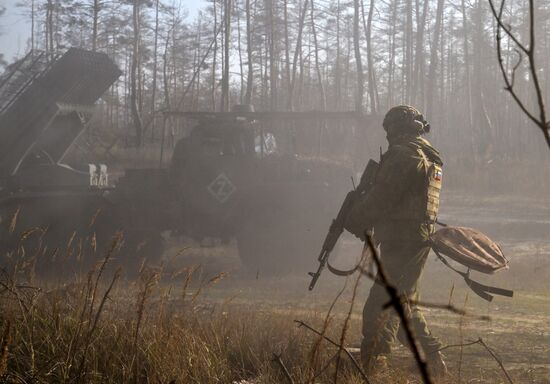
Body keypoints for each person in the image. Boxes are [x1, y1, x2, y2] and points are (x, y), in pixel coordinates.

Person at [344, 105, 447, 377]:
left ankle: (374, 364)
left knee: (381, 303)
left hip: (404, 240)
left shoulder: (403, 155)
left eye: (389, 128)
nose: (387, 134)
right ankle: (432, 359)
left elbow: (383, 197)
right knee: (403, 303)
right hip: (412, 238)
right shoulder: (424, 153)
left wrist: (356, 218)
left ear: (398, 127)